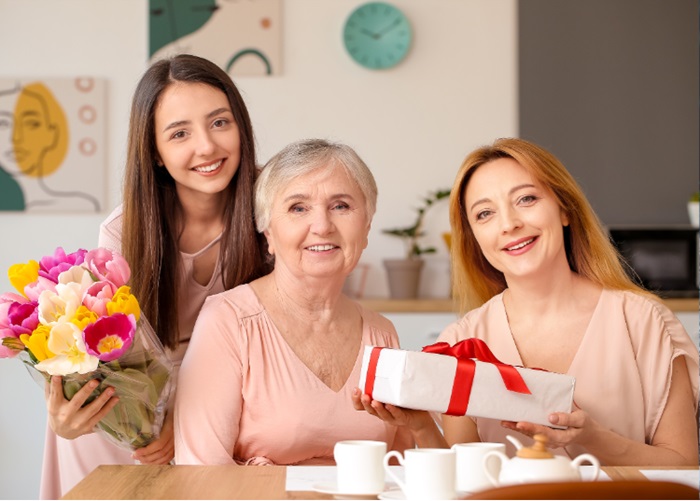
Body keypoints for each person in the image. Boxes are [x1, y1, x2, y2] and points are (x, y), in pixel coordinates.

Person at [353, 137, 699, 466]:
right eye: (485, 214)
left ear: (565, 209)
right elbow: (463, 485)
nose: (510, 224)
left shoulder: (644, 321)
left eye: (526, 199)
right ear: (474, 238)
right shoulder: (461, 341)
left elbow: (684, 465)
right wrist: (421, 427)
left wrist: (594, 438)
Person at [39, 54, 270, 498]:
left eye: (220, 122)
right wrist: (65, 414)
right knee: (90, 445)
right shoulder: (124, 231)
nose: (206, 146)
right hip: (138, 404)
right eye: (180, 133)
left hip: (229, 395)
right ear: (157, 154)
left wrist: (183, 410)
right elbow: (110, 356)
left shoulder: (274, 210)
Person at [174, 138, 414, 465]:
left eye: (341, 205)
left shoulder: (382, 335)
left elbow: (401, 468)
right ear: (268, 233)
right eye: (298, 208)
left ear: (367, 226)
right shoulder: (227, 321)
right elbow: (201, 475)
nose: (322, 226)